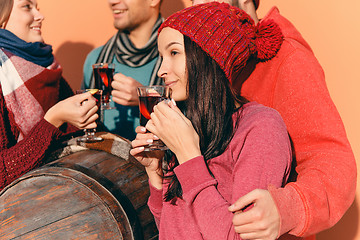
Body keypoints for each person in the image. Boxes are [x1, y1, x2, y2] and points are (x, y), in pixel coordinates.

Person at [191, 0, 357, 239]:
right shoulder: (208, 59)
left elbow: (335, 163)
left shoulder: (289, 59)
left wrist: (286, 209)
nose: (200, 5)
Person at [130, 2, 293, 239]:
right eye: (161, 56)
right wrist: (156, 176)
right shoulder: (190, 125)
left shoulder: (261, 127)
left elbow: (237, 236)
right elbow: (173, 229)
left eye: (174, 53)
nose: (162, 70)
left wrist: (189, 156)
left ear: (207, 55)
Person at [0, 0, 99, 190]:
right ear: (2, 18)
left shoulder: (47, 68)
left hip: (53, 198)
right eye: (27, 7)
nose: (40, 16)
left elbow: (71, 140)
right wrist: (52, 120)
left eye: (38, 7)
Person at [82, 0, 163, 140]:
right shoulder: (96, 60)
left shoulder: (179, 57)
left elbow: (195, 124)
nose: (112, 1)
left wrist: (147, 98)